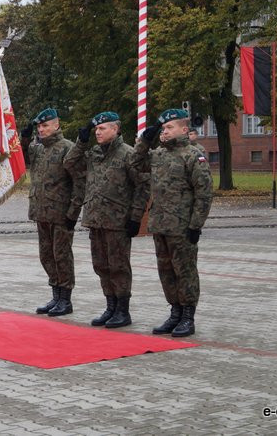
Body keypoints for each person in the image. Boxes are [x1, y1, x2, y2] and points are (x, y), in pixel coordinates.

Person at [64, 112, 150, 328]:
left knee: (119, 266)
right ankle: (110, 306)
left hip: (118, 221)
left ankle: (123, 310)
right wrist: (81, 143)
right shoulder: (94, 153)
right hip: (96, 219)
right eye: (96, 129)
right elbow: (70, 163)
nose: (97, 132)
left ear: (116, 129)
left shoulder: (128, 154)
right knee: (101, 265)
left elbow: (142, 186)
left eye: (102, 128)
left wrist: (136, 217)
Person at [132, 109, 213, 337]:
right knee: (166, 272)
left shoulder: (193, 155)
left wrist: (196, 225)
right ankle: (175, 312)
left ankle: (188, 316)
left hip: (182, 227)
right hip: (160, 225)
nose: (164, 132)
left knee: (185, 272)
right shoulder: (157, 154)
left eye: (169, 127)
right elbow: (135, 164)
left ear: (184, 130)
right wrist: (144, 142)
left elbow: (204, 193)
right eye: (163, 128)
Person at [24, 108, 85, 317]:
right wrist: (23, 136)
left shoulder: (68, 148)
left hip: (61, 213)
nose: (41, 129)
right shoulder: (39, 150)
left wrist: (73, 212)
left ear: (56, 125)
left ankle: (65, 299)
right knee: (46, 256)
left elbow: (79, 182)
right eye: (39, 126)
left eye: (45, 125)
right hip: (41, 211)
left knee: (62, 256)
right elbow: (20, 153)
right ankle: (56, 294)